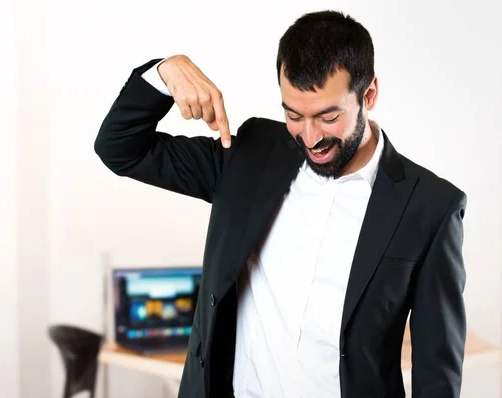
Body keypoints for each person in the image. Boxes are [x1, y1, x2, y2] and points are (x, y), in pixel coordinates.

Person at [94, 9, 467, 398]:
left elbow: (435, 376)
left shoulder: (430, 206)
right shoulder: (251, 157)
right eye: (294, 115)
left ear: (368, 95)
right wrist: (165, 72)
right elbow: (120, 150)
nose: (310, 137)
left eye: (327, 117)